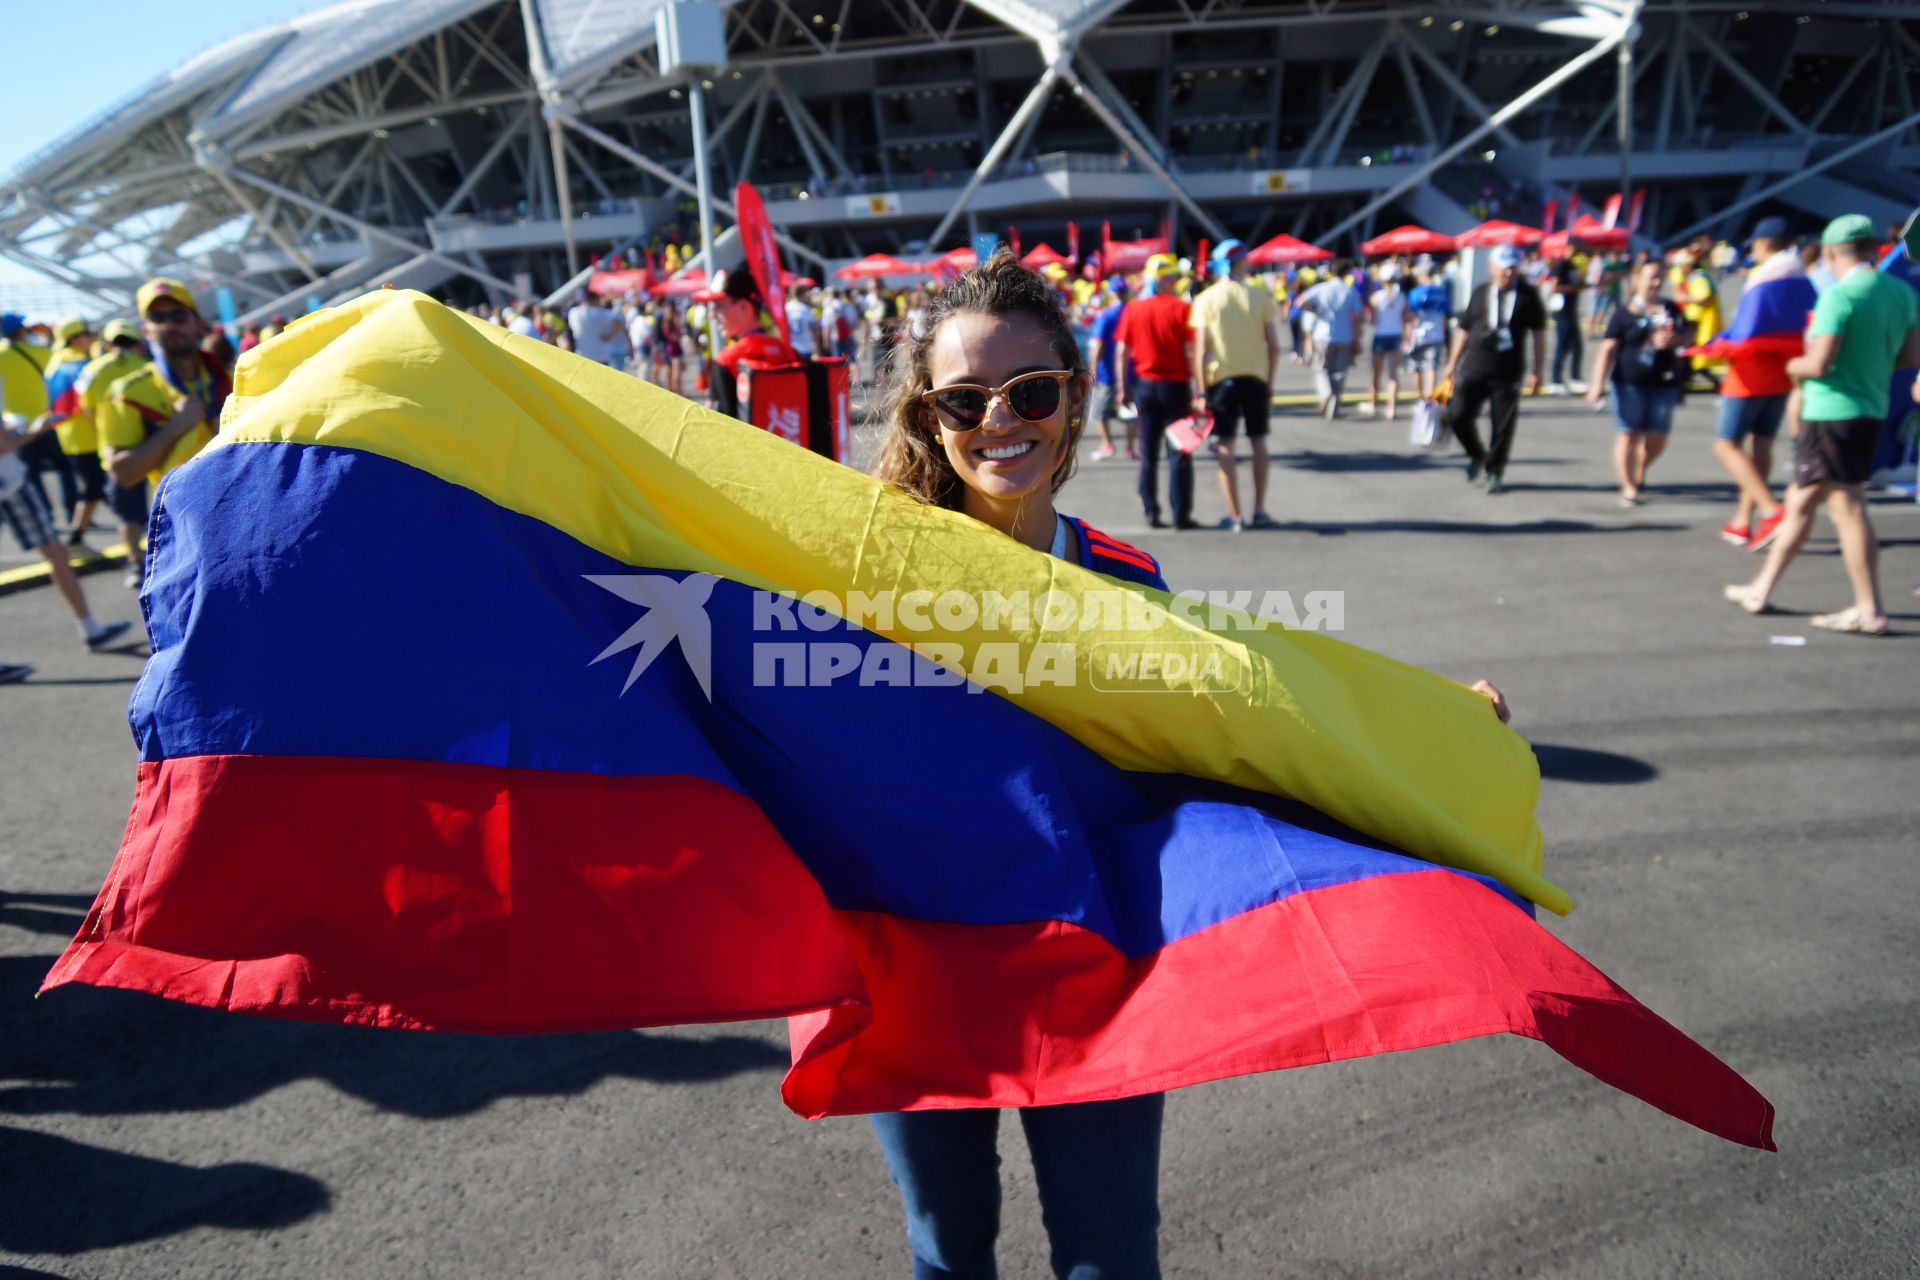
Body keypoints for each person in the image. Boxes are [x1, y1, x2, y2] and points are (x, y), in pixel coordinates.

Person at [865, 248, 1509, 1278]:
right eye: (966, 399)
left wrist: (1425, 733)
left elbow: (1250, 722)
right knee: (947, 1249)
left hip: (1090, 959)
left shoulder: (1129, 577)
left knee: (1112, 1256)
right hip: (914, 959)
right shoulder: (860, 576)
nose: (1001, 421)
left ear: (1074, 399)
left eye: (1030, 391)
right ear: (926, 414)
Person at [1726, 214, 1920, 634]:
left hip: (1831, 411)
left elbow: (1818, 362)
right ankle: (1760, 589)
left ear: (1831, 251)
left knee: (1847, 508)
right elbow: (1908, 359)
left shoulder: (1839, 296)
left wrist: (1791, 365)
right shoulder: (1901, 292)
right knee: (1801, 502)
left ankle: (1869, 608)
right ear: (1872, 248)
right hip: (1871, 407)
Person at [102, 280, 232, 576]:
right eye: (158, 318)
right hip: (182, 534)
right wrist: (177, 426)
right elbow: (121, 473)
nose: (169, 324)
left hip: (244, 518)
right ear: (146, 331)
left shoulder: (233, 379)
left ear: (198, 324)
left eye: (178, 315)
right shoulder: (128, 392)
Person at [1708, 217, 1814, 550]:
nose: (1752, 249)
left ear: (1766, 244)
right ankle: (1742, 521)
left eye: (1755, 243)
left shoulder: (1763, 278)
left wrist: (1716, 345)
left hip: (1748, 374)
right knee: (1762, 443)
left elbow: (1744, 332)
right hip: (1782, 373)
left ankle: (1770, 510)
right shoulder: (1803, 278)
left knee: (1726, 445)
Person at [0, 415, 134, 652]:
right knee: (57, 554)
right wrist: (37, 429)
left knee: (57, 554)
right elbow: (4, 444)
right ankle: (90, 629)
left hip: (10, 482)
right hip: (10, 484)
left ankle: (90, 629)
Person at [1189, 239, 1282, 530]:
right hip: (1255, 377)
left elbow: (1200, 350)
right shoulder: (1258, 295)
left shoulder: (1206, 299)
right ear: (1241, 262)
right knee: (1259, 443)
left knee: (1225, 446)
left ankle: (1235, 515)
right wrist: (1269, 379)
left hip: (1222, 380)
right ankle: (1260, 509)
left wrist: (1202, 390)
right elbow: (1274, 345)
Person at [1442, 243, 1547, 494]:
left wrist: (1537, 370)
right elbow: (1464, 329)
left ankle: (1494, 471)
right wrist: (1451, 364)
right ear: (1491, 268)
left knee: (1502, 425)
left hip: (1507, 372)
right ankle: (1477, 453)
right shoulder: (1480, 292)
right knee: (1457, 415)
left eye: (1513, 268)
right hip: (1474, 367)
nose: (1509, 273)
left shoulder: (1528, 295)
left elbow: (1539, 334)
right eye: (1504, 268)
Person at [1586, 262, 1687, 506]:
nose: (1656, 282)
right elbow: (1608, 348)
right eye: (1651, 277)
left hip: (1663, 382)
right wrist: (1597, 383)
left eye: (1660, 277)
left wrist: (1674, 340)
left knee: (1658, 437)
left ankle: (1640, 467)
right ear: (1636, 280)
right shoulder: (1624, 313)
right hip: (1628, 383)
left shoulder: (1671, 308)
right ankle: (1629, 486)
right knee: (1628, 435)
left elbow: (1690, 334)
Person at [1114, 256, 1199, 529]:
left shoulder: (1133, 309)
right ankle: (1180, 514)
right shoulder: (1183, 308)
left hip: (1146, 386)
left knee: (1148, 453)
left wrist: (1122, 388)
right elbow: (1191, 351)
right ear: (1168, 280)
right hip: (1176, 387)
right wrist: (1198, 389)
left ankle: (1151, 510)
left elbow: (1122, 352)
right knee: (1180, 453)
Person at [72, 320, 150, 582]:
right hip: (155, 445)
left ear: (107, 343)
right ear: (135, 342)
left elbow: (86, 409)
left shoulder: (92, 370)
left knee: (127, 514)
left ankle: (136, 564)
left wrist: (104, 429)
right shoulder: (147, 368)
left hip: (116, 449)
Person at [35, 318, 102, 544]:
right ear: (74, 338)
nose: (90, 337)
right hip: (88, 433)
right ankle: (76, 535)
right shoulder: (81, 364)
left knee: (93, 486)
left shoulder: (55, 360)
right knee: (96, 487)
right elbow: (89, 401)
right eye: (86, 333)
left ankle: (77, 532)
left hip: (67, 433)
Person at [1294, 260, 1366, 418]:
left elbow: (1299, 302)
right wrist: (1357, 338)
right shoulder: (1350, 292)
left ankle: (1326, 394)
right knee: (1339, 372)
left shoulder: (1322, 288)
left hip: (1323, 333)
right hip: (1344, 334)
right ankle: (1334, 406)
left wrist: (1316, 311)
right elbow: (1359, 317)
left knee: (1322, 368)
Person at [1084, 277, 1134, 461]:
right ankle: (1130, 449)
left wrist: (1092, 368)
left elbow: (1097, 345)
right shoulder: (1132, 312)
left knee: (1099, 412)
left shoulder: (1106, 315)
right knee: (1130, 410)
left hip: (1107, 373)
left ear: (1112, 294)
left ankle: (1107, 444)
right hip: (1131, 370)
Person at [1360, 262, 1408, 420]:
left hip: (1380, 336)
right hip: (1396, 335)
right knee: (1393, 375)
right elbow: (1406, 316)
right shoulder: (1401, 297)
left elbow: (1373, 320)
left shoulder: (1376, 297)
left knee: (1376, 372)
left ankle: (1373, 403)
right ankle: (1391, 407)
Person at [1405, 264, 1452, 401]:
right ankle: (1429, 398)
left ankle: (1420, 397)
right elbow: (1444, 316)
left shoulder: (1415, 293)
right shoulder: (1441, 293)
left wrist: (1407, 336)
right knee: (1431, 367)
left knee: (1416, 367)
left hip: (1417, 335)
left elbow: (1410, 316)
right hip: (1436, 334)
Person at [1545, 254, 1585, 393]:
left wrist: (1582, 284)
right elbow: (1554, 287)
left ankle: (1575, 378)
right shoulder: (1560, 265)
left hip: (1571, 310)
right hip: (1562, 311)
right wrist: (1573, 288)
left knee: (1577, 346)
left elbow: (1579, 283)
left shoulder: (1573, 266)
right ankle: (1555, 379)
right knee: (1562, 345)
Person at [566, 293, 620, 367]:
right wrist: (609, 336)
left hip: (582, 354)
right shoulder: (601, 313)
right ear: (595, 299)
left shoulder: (573, 312)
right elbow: (619, 325)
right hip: (600, 354)